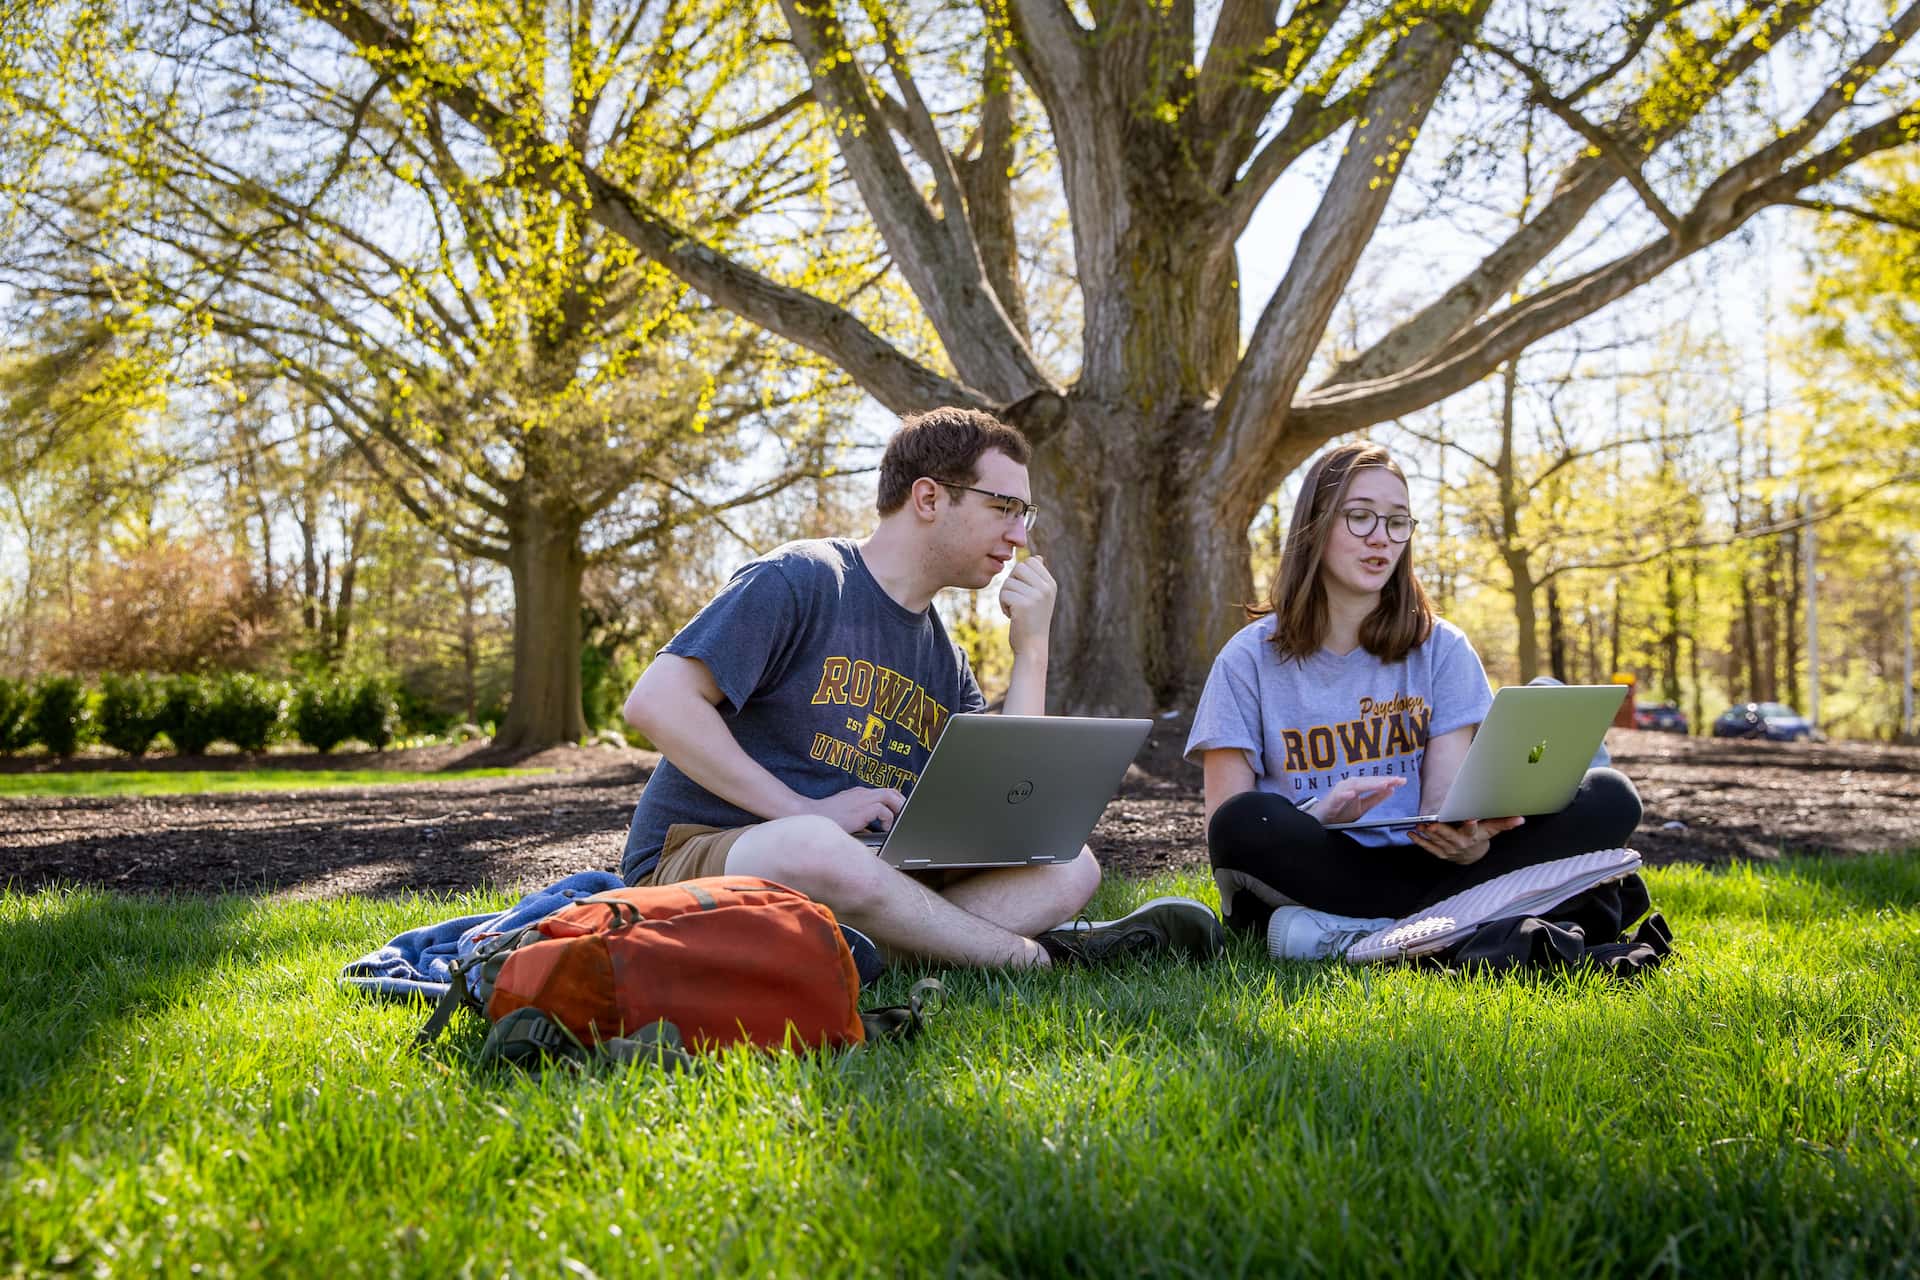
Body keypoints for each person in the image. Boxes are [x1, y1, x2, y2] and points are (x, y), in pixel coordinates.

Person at [621, 407, 1221, 968]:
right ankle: (1025, 955)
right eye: (1005, 507)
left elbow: (1009, 816)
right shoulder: (803, 578)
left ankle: (878, 952)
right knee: (813, 846)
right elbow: (658, 702)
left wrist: (1032, 649)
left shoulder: (945, 659)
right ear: (930, 497)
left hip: (864, 871)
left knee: (1070, 867)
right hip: (705, 857)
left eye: (1025, 514)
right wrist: (807, 811)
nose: (1019, 536)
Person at [1185, 441, 1642, 959]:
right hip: (1326, 863)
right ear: (1314, 525)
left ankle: (1359, 934)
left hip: (1434, 866)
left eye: (1397, 521)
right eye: (1359, 517)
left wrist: (1471, 843)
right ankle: (1455, 922)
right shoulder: (1247, 659)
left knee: (1611, 795)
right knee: (1249, 822)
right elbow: (1223, 830)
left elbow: (1442, 801)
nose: (1381, 537)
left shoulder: (1441, 647)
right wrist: (1320, 813)